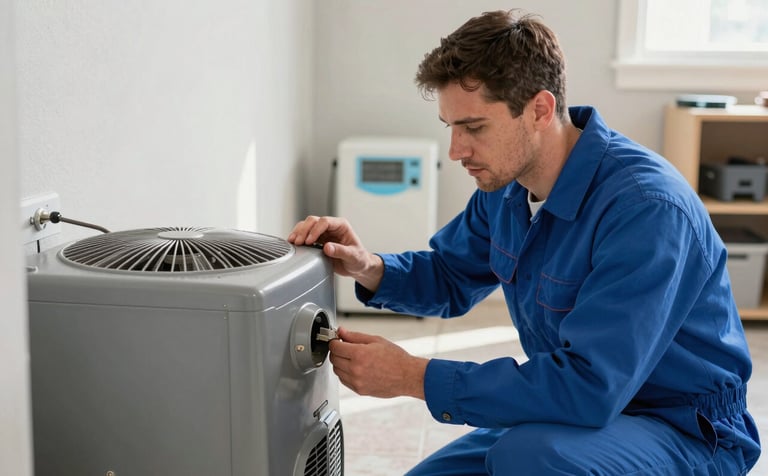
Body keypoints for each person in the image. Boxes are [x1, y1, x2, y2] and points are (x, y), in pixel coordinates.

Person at [288, 9, 761, 475]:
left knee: (528, 458)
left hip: (683, 429)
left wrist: (413, 376)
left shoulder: (646, 210)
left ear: (539, 109)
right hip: (573, 414)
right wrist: (367, 265)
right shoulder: (507, 187)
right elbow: (452, 275)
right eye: (450, 128)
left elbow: (590, 386)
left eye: (473, 128)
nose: (456, 151)